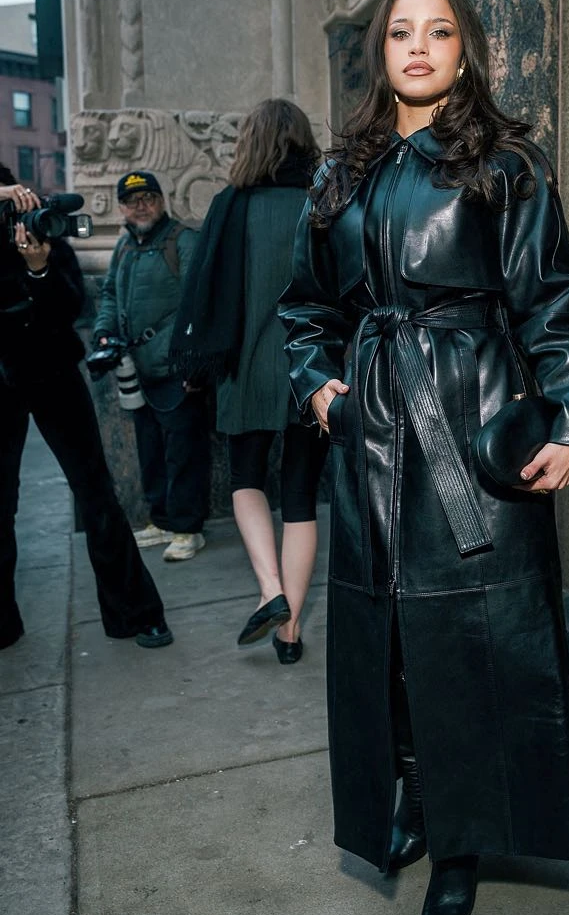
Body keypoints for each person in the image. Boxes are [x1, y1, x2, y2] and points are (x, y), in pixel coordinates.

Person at [278, 0, 569, 915]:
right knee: (388, 647)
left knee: (473, 644)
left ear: (465, 52)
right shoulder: (339, 174)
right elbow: (303, 310)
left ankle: (462, 840)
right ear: (379, 52)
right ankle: (413, 798)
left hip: (477, 426)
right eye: (400, 33)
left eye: (440, 32)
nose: (418, 47)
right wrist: (319, 386)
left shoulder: (507, 163)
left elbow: (551, 299)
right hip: (372, 429)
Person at [171, 100, 328, 663]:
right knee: (302, 498)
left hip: (245, 369)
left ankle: (270, 591)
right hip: (313, 373)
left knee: (245, 481)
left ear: (251, 143)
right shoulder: (323, 202)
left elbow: (202, 292)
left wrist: (192, 362)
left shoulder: (230, 206)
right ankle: (290, 638)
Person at [0, 170, 173, 650]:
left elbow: (70, 306)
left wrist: (38, 269)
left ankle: (136, 614)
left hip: (52, 373)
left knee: (96, 492)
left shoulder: (42, 232)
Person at [93, 171, 209, 561]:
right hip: (137, 372)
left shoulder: (183, 241)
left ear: (161, 201)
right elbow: (109, 294)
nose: (140, 205)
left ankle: (188, 528)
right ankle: (161, 520)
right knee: (150, 451)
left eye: (148, 197)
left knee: (183, 453)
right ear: (122, 208)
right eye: (131, 200)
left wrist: (194, 364)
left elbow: (201, 305)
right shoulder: (125, 246)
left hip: (177, 371)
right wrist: (104, 332)